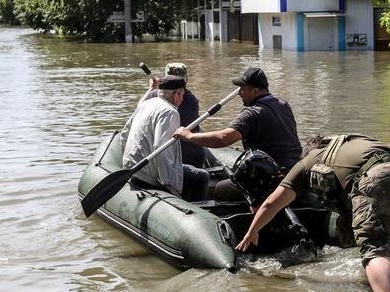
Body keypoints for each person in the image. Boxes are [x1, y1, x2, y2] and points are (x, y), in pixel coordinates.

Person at [235, 134, 390, 292]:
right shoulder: (347, 144)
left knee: (373, 247)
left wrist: (252, 232)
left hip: (378, 175)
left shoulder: (308, 161)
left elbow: (271, 204)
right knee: (380, 238)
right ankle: (384, 277)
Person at [173, 66, 302, 200]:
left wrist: (188, 135)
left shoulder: (252, 113)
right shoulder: (283, 104)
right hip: (293, 172)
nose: (239, 93)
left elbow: (224, 138)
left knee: (220, 189)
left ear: (256, 91)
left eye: (243, 89)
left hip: (270, 176)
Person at [120, 75, 210, 202]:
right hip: (150, 176)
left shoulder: (145, 104)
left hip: (134, 170)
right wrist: (169, 185)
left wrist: (128, 166)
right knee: (201, 176)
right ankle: (196, 210)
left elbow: (124, 135)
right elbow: (161, 148)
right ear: (176, 95)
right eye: (182, 95)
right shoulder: (170, 112)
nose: (183, 98)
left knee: (188, 171)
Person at [140, 62, 205, 168]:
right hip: (190, 158)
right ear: (186, 79)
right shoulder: (192, 99)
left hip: (176, 159)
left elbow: (139, 109)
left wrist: (152, 89)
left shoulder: (155, 95)